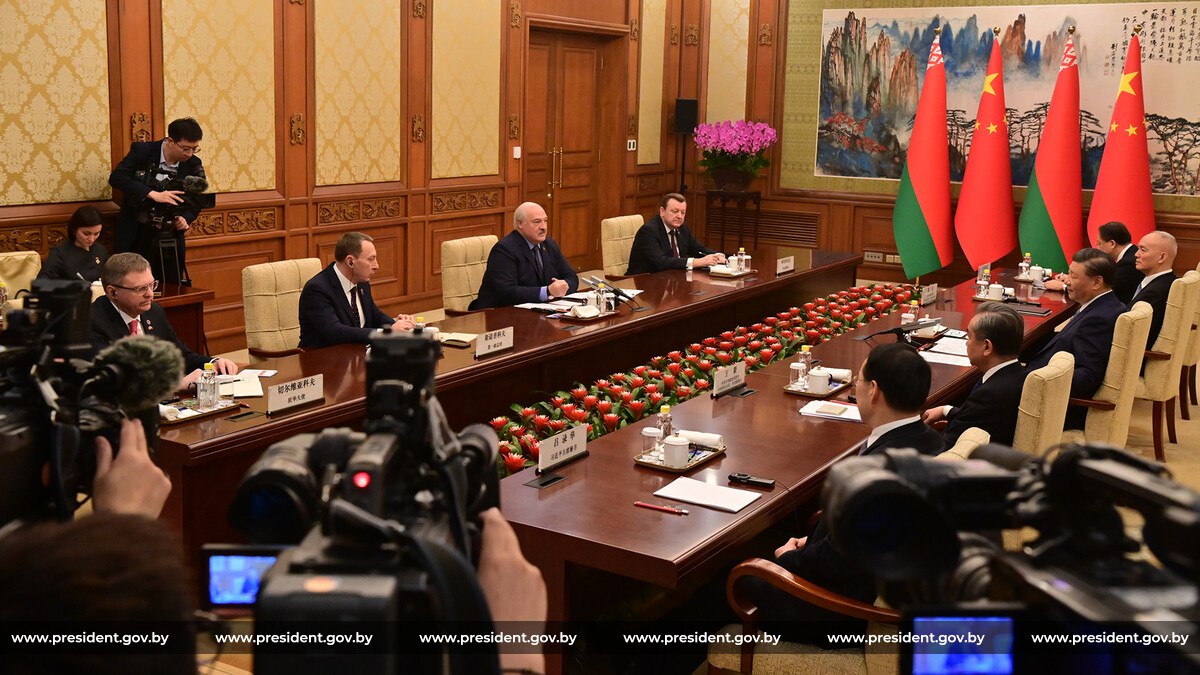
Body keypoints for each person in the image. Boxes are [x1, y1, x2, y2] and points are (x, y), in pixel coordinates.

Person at [743, 343, 942, 643]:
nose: (855, 386)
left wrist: (788, 559)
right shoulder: (932, 440)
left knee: (732, 579)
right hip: (877, 577)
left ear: (874, 391)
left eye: (859, 380)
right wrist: (815, 541)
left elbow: (838, 562)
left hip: (842, 612)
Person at [90, 253, 238, 391]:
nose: (150, 294)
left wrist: (214, 363)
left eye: (151, 285)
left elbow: (180, 356)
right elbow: (113, 381)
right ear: (113, 292)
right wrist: (175, 385)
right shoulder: (91, 322)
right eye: (140, 289)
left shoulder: (154, 311)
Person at [1026, 248, 1125, 429]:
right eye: (1069, 273)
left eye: (1074, 276)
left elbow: (1087, 377)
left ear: (1097, 282)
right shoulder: (1104, 305)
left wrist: (1037, 382)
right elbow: (1067, 341)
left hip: (1054, 405)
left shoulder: (1099, 319)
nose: (1067, 281)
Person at [109, 117, 209, 284]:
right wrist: (151, 193)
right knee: (134, 283)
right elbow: (117, 178)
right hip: (137, 230)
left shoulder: (193, 163)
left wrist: (185, 218)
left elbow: (197, 199)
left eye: (194, 149)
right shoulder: (142, 151)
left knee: (171, 285)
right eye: (185, 148)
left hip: (170, 234)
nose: (189, 154)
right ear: (170, 141)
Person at [923, 302, 1025, 449]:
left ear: (987, 347)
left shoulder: (988, 396)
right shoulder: (1020, 376)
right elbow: (976, 417)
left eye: (969, 336)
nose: (966, 343)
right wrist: (947, 410)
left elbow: (948, 449)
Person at [298, 232, 415, 349]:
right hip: (322, 357)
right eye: (371, 259)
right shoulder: (317, 289)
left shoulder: (361, 281)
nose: (376, 266)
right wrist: (386, 333)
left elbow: (374, 315)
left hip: (356, 353)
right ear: (350, 262)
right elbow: (335, 332)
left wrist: (398, 325)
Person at [469, 202, 579, 310]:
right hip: (499, 313)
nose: (543, 227)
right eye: (537, 222)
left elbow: (572, 278)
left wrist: (562, 287)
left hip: (538, 310)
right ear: (520, 224)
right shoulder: (504, 249)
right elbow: (507, 292)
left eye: (545, 221)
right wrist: (547, 291)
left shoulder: (548, 244)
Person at [625, 193, 726, 275]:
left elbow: (697, 248)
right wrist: (697, 262)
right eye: (675, 211)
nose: (679, 216)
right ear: (662, 211)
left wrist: (716, 256)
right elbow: (661, 262)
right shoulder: (648, 231)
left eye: (683, 212)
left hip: (672, 280)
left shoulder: (682, 227)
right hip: (644, 283)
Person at [1045, 222, 1141, 303]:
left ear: (1112, 243)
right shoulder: (1131, 253)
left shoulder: (1129, 262)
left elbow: (1105, 290)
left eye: (1099, 243)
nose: (1097, 247)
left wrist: (1064, 286)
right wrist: (1074, 278)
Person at [1129, 230, 1179, 349]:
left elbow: (1131, 328)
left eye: (1143, 250)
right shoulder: (1166, 282)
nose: (1136, 254)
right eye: (1138, 248)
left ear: (1162, 257)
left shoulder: (1158, 292)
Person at [37, 206, 109, 282]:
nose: (91, 239)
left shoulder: (100, 250)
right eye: (86, 234)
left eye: (96, 234)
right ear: (74, 229)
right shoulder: (60, 252)